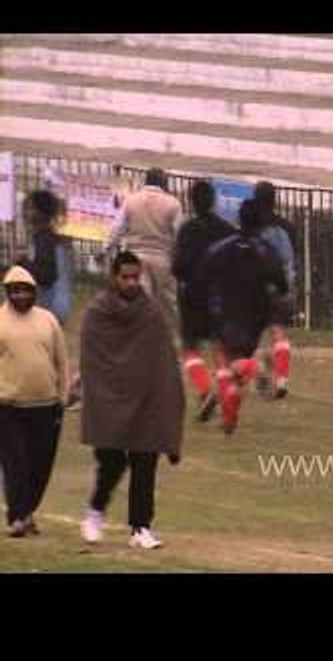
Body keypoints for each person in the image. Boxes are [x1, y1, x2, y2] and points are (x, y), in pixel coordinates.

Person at [79, 251, 185, 549]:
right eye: (125, 277)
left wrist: (164, 403)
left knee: (145, 458)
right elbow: (93, 360)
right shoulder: (98, 312)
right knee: (112, 461)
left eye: (135, 277)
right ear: (114, 277)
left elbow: (163, 361)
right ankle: (95, 512)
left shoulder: (150, 313)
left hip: (143, 401)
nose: (130, 282)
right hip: (108, 400)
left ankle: (140, 527)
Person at [202, 200, 288, 434]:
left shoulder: (225, 246)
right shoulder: (267, 249)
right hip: (256, 315)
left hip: (228, 309)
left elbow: (206, 267)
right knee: (236, 368)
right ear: (261, 222)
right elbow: (281, 283)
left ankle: (256, 366)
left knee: (225, 357)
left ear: (239, 219)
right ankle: (229, 420)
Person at [0, 266, 68, 537]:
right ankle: (16, 517)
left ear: (33, 292)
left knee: (40, 465)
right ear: (7, 293)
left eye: (24, 290)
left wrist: (62, 396)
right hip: (8, 407)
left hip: (46, 405)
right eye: (14, 291)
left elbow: (61, 361)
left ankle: (27, 512)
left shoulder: (48, 320)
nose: (20, 295)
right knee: (16, 463)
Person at [172, 179, 236, 421]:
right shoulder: (227, 229)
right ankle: (225, 396)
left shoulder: (188, 229)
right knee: (221, 350)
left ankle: (204, 390)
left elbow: (179, 266)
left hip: (193, 297)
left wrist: (183, 274)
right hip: (220, 298)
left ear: (191, 201)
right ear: (214, 201)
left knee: (190, 348)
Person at [103, 167, 184, 335]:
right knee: (169, 303)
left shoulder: (131, 200)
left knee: (138, 301)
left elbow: (117, 229)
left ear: (146, 181)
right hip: (163, 259)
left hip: (135, 259)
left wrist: (106, 249)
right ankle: (177, 336)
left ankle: (136, 334)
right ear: (164, 183)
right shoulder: (173, 204)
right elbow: (179, 236)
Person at [252, 181, 297, 400]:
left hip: (258, 288)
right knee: (279, 331)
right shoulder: (287, 226)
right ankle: (282, 379)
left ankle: (259, 369)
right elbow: (292, 258)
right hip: (283, 286)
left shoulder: (251, 226)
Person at [17, 189, 73, 326]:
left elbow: (46, 276)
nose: (26, 213)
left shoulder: (44, 240)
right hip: (60, 307)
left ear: (41, 212)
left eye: (30, 208)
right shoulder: (56, 239)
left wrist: (23, 262)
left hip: (47, 308)